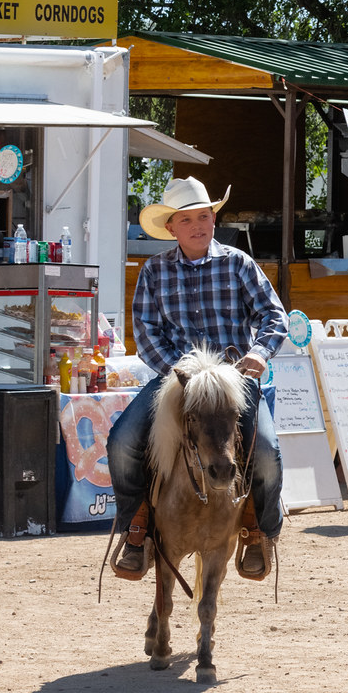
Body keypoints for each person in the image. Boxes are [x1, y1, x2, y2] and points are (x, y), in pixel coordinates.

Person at [107, 177, 289, 578]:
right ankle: (137, 526)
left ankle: (258, 530)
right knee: (122, 442)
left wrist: (258, 352)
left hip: (232, 383)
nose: (198, 226)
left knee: (266, 455)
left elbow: (274, 315)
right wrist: (180, 373)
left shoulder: (238, 263)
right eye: (186, 219)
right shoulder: (154, 271)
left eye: (204, 216)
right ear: (171, 227)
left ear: (213, 218)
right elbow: (147, 334)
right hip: (177, 381)